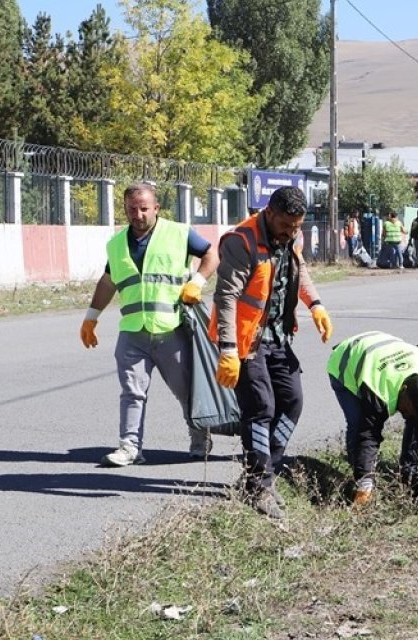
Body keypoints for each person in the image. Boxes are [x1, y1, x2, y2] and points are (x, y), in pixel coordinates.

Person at [212, 186, 334, 519]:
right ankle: (260, 486)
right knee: (261, 407)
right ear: (269, 212)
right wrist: (227, 350)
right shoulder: (242, 242)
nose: (291, 232)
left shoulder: (292, 236)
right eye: (286, 226)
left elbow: (300, 269)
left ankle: (262, 470)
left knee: (292, 402)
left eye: (297, 227)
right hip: (244, 342)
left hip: (278, 337)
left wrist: (317, 305)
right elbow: (225, 298)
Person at [80, 183, 219, 466]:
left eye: (144, 208)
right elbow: (108, 282)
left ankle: (199, 438)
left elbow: (211, 254)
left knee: (186, 391)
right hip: (133, 332)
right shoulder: (116, 244)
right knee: (132, 392)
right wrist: (91, 317)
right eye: (133, 209)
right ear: (125, 210)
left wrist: (198, 281)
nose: (138, 214)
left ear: (156, 208)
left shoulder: (178, 233)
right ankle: (130, 448)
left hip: (173, 329)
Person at [327, 332, 418, 505]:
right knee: (358, 423)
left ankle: (406, 468)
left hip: (379, 345)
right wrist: (365, 482)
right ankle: (357, 469)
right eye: (406, 409)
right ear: (402, 389)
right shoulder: (377, 394)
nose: (405, 414)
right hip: (345, 360)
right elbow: (368, 437)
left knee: (417, 416)